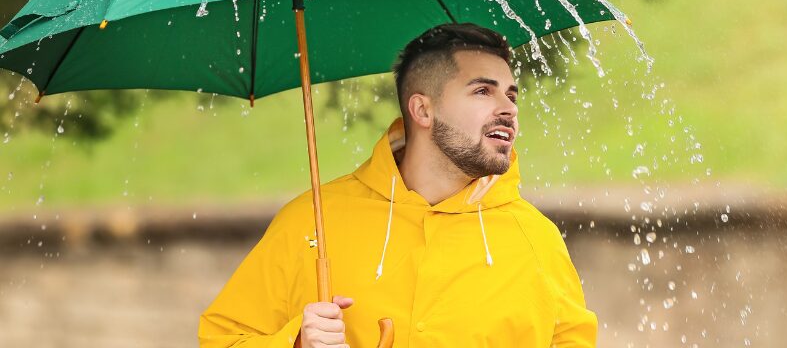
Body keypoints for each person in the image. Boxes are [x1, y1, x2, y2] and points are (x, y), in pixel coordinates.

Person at [198, 23, 597, 347]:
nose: (508, 109)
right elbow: (222, 340)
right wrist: (295, 343)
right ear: (422, 109)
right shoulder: (311, 222)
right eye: (482, 91)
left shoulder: (537, 241)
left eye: (511, 95)